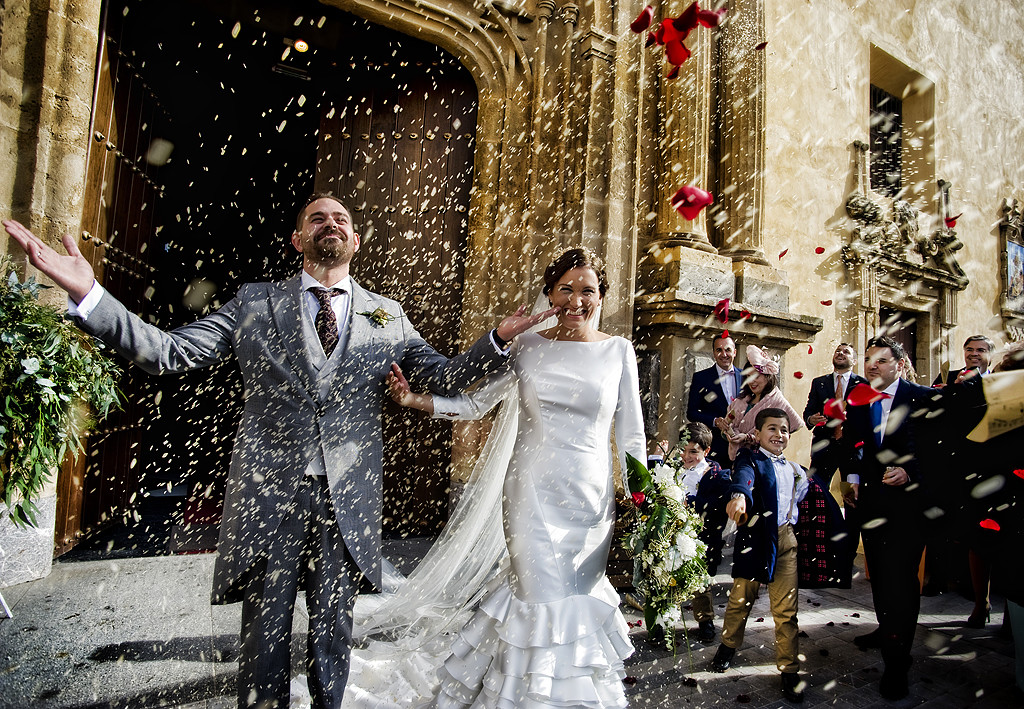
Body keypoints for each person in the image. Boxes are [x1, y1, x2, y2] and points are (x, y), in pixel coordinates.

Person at [3, 196, 551, 709]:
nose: (330, 224)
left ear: (356, 240)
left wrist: (498, 340)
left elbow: (447, 375)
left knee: (333, 633)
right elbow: (167, 353)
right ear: (296, 239)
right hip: (269, 496)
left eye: (340, 219)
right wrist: (91, 296)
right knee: (263, 634)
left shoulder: (389, 314)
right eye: (317, 219)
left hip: (346, 502)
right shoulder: (254, 303)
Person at [384, 247, 646, 707]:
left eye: (588, 289)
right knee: (536, 595)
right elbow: (475, 404)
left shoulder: (619, 351)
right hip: (531, 495)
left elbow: (632, 436)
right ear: (549, 294)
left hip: (590, 505)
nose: (577, 299)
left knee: (575, 601)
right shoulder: (527, 347)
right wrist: (414, 402)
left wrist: (647, 496)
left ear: (602, 295)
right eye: (566, 288)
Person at [842, 336, 934, 701]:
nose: (871, 366)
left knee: (901, 580)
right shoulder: (859, 398)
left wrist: (910, 473)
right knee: (879, 573)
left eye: (880, 360)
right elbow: (853, 440)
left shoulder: (921, 397)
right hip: (872, 504)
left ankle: (898, 662)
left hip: (909, 508)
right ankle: (885, 629)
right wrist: (851, 479)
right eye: (867, 359)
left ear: (899, 363)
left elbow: (937, 451)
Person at [711, 408, 809, 704]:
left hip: (785, 540)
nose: (779, 434)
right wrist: (739, 496)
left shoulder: (795, 470)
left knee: (786, 609)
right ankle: (728, 645)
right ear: (757, 434)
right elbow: (744, 479)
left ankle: (789, 670)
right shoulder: (749, 459)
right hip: (754, 539)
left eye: (784, 430)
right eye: (772, 429)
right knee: (740, 599)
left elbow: (801, 499)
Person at [678, 422, 732, 643]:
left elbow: (718, 505)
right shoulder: (674, 470)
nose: (686, 456)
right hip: (675, 535)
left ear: (706, 451)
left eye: (693, 452)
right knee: (667, 579)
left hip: (703, 538)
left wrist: (689, 502)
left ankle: (705, 620)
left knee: (700, 582)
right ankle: (661, 621)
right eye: (683, 450)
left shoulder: (717, 475)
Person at [717, 345, 803, 461]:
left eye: (756, 376)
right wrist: (726, 429)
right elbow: (727, 431)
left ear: (768, 376)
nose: (751, 381)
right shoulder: (740, 401)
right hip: (736, 459)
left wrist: (749, 438)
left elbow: (792, 427)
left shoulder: (777, 401)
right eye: (748, 376)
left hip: (763, 460)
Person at [802, 343, 867, 484]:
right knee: (818, 490)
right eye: (838, 351)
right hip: (824, 446)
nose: (840, 353)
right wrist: (811, 419)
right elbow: (809, 410)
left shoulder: (863, 385)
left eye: (846, 352)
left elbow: (867, 417)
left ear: (854, 361)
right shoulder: (819, 383)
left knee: (851, 492)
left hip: (852, 448)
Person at [687, 334, 743, 464]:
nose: (724, 354)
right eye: (719, 350)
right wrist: (714, 421)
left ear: (734, 352)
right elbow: (692, 413)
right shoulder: (701, 378)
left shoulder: (746, 377)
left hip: (742, 446)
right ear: (713, 353)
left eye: (728, 350)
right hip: (715, 446)